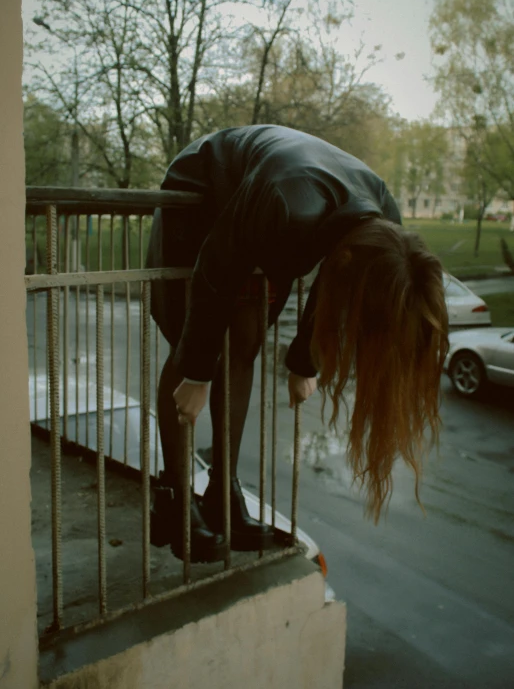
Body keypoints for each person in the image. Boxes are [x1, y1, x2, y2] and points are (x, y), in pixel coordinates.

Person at [147, 124, 449, 563]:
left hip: (261, 202)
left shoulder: (383, 222)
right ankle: (176, 497)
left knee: (246, 340)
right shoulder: (287, 206)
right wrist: (196, 371)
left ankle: (222, 493)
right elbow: (217, 265)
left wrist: (304, 363)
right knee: (190, 339)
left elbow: (336, 283)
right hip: (204, 185)